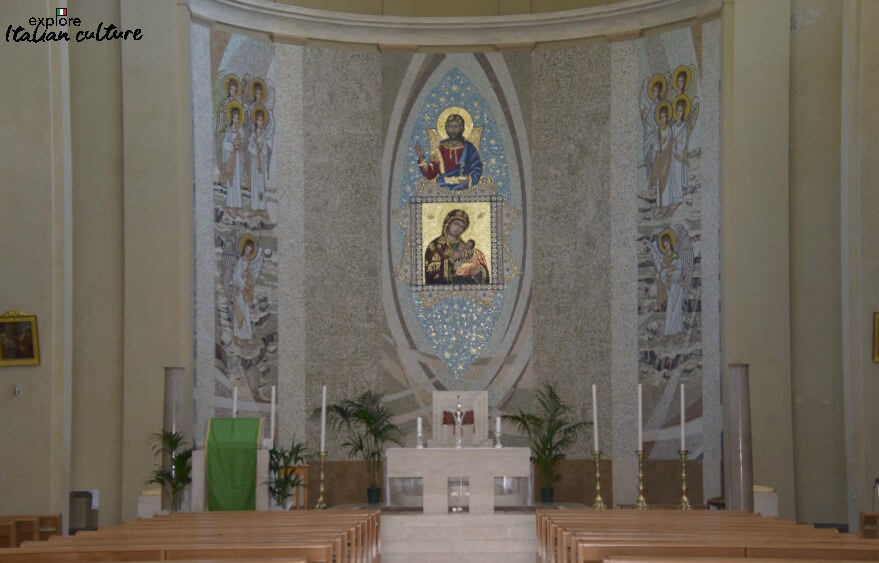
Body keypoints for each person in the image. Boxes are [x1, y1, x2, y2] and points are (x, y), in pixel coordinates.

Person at [415, 114, 482, 190]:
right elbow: (431, 173)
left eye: (456, 127)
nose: (453, 130)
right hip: (443, 184)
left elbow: (476, 166)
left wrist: (469, 179)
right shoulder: (441, 149)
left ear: (462, 128)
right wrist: (421, 157)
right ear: (446, 129)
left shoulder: (469, 148)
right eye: (450, 127)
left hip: (463, 184)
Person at [425, 209, 489, 284]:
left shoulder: (466, 247)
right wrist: (451, 260)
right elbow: (432, 275)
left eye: (462, 227)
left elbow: (479, 265)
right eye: (456, 224)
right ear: (448, 223)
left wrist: (478, 273)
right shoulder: (435, 246)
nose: (458, 228)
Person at [229, 235, 264, 343]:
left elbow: (250, 276)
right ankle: (237, 337)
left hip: (245, 291)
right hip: (239, 290)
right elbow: (237, 276)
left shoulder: (248, 263)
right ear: (244, 248)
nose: (248, 251)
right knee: (239, 313)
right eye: (247, 248)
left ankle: (247, 337)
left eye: (250, 249)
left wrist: (248, 280)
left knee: (246, 313)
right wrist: (243, 284)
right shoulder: (240, 262)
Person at [650, 229, 684, 337]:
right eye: (665, 246)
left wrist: (672, 274)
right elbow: (661, 273)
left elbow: (679, 270)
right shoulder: (665, 258)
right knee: (670, 308)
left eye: (668, 245)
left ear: (671, 244)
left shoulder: (676, 257)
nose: (667, 247)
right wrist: (666, 273)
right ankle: (668, 332)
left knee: (676, 309)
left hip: (677, 285)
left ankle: (677, 333)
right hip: (670, 286)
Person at [221, 102, 245, 219]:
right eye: (234, 117)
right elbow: (225, 143)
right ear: (231, 118)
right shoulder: (229, 131)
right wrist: (233, 145)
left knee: (237, 182)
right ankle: (230, 207)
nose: (235, 120)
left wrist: (238, 145)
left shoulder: (239, 131)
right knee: (231, 183)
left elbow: (241, 143)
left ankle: (238, 208)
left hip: (237, 160)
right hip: (231, 160)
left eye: (237, 118)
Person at [248, 106, 271, 219]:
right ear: (255, 121)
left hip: (261, 162)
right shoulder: (253, 136)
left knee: (261, 185)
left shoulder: (263, 136)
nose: (260, 122)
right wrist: (255, 150)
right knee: (255, 185)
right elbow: (249, 148)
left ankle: (262, 209)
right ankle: (254, 209)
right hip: (254, 162)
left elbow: (266, 151)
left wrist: (262, 150)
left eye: (261, 120)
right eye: (258, 120)